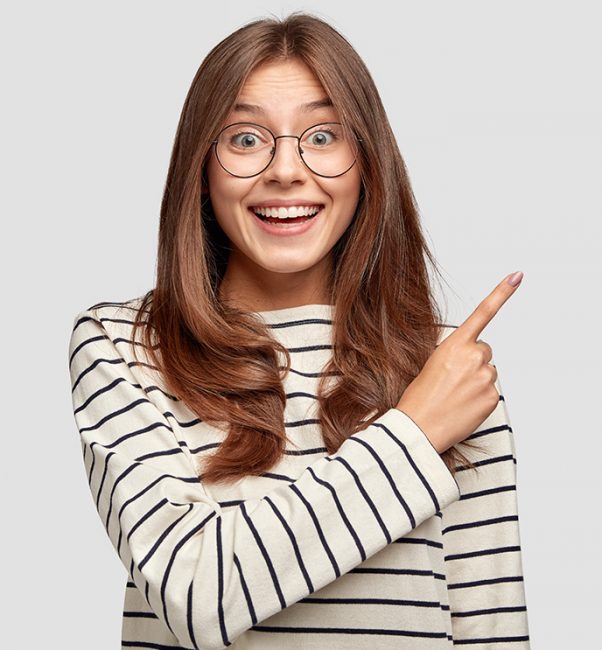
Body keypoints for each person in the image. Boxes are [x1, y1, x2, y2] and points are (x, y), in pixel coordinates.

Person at [67, 11, 530, 649]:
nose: (286, 170)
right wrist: (415, 437)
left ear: (367, 162)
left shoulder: (447, 368)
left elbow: (492, 630)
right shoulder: (124, 347)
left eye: (322, 135)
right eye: (246, 138)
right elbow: (196, 596)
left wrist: (431, 407)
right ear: (201, 166)